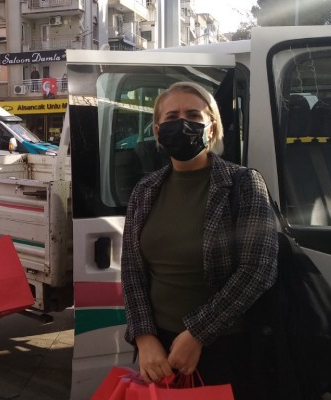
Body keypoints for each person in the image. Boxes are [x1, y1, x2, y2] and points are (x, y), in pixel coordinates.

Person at [121, 81, 278, 399]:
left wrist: (197, 334)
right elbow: (132, 270)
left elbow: (258, 269)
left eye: (193, 115)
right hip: (157, 349)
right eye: (171, 117)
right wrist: (144, 337)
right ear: (157, 130)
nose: (182, 123)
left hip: (224, 346)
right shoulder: (145, 190)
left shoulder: (244, 183)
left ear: (212, 127)